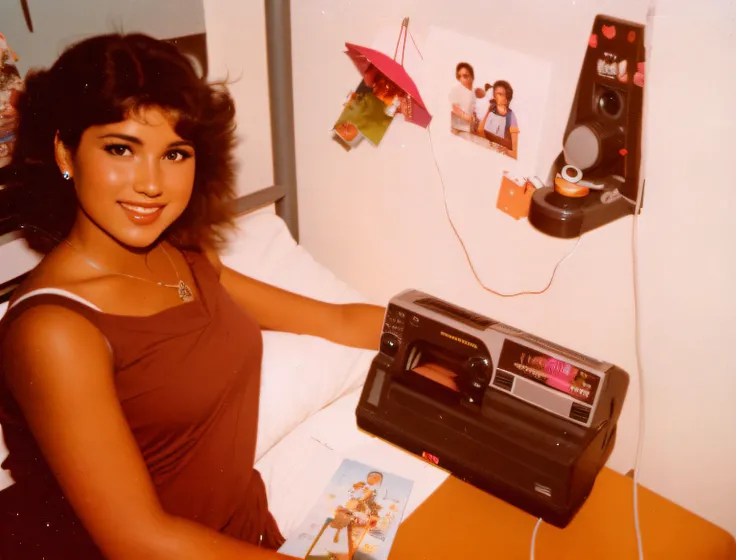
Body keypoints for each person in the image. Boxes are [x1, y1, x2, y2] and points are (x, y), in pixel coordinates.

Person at [0, 32, 386, 559]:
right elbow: (139, 541)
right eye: (121, 149)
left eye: (174, 153)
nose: (152, 184)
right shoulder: (54, 331)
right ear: (66, 152)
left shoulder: (182, 257)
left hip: (244, 535)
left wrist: (456, 349)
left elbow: (336, 321)